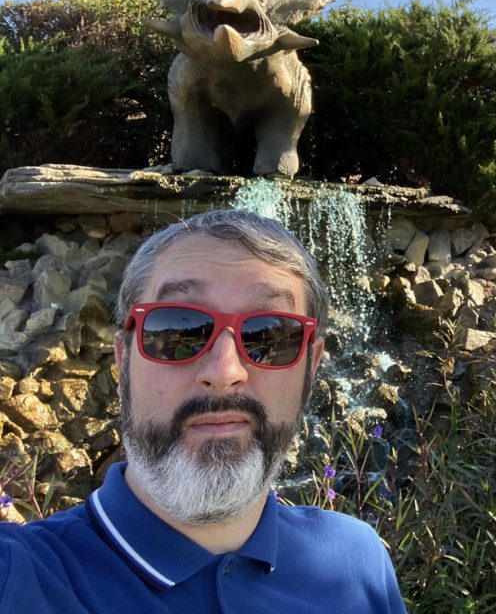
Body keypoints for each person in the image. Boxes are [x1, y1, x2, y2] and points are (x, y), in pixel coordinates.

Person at [0, 210, 406, 613]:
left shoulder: (356, 563)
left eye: (268, 336)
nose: (224, 372)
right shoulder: (18, 574)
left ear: (310, 368)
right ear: (123, 361)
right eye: (179, 330)